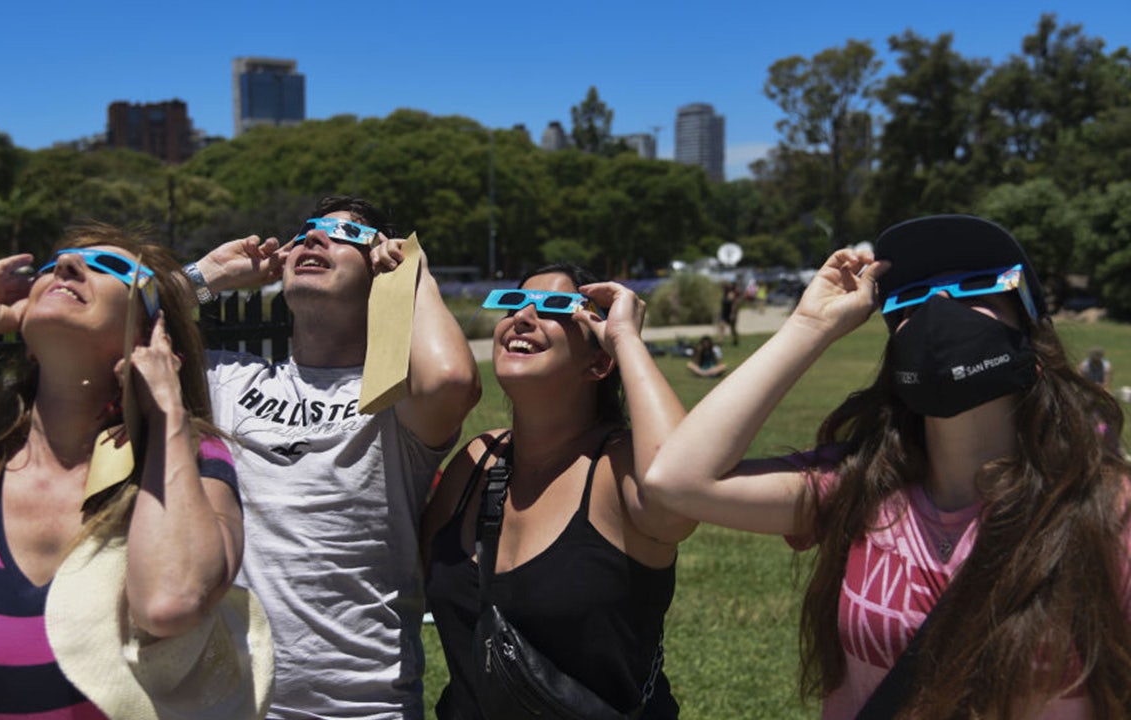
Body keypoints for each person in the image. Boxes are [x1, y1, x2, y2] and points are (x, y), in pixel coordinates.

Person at [645, 215, 1131, 718]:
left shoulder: (1109, 515)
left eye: (975, 287)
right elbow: (677, 479)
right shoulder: (856, 488)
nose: (938, 305)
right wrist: (810, 326)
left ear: (1031, 340)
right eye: (911, 299)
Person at [0, 225, 248, 717]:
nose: (66, 266)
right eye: (52, 265)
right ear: (29, 346)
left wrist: (165, 410)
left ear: (150, 338)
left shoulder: (189, 460)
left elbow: (171, 601)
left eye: (112, 268)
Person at [185, 196, 481, 719]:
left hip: (364, 706)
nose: (314, 238)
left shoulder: (394, 397)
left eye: (345, 235)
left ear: (380, 268)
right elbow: (109, 339)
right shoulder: (227, 379)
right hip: (233, 705)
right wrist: (208, 275)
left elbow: (452, 380)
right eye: (306, 231)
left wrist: (413, 273)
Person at [423, 263, 697, 719]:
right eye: (512, 303)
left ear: (599, 361)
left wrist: (626, 339)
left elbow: (683, 485)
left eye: (555, 307)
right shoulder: (477, 462)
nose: (522, 317)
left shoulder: (617, 470)